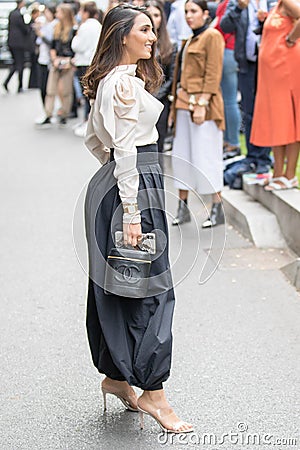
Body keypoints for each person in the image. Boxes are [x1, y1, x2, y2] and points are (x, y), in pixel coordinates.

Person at [82, 4, 193, 434]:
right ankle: (153, 392)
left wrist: (110, 176)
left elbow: (95, 139)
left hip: (117, 183)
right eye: (145, 30)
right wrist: (131, 208)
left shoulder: (113, 80)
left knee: (116, 286)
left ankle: (115, 377)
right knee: (151, 290)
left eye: (153, 29)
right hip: (133, 190)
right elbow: (125, 148)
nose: (152, 36)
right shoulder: (124, 85)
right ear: (121, 35)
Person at [170, 0, 225, 228]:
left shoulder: (212, 36)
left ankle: (217, 208)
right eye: (186, 12)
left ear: (205, 13)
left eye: (193, 11)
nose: (189, 16)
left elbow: (213, 72)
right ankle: (183, 208)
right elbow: (179, 77)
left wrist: (203, 102)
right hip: (183, 103)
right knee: (182, 156)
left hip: (204, 105)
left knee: (207, 155)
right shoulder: (190, 39)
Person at [220, 0, 276, 175]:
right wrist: (239, 8)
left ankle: (264, 158)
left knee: (267, 112)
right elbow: (225, 26)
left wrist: (265, 21)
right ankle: (252, 156)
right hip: (247, 64)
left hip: (271, 64)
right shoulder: (239, 3)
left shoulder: (274, 2)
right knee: (249, 111)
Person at [250, 0, 300, 190]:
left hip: (285, 68)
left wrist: (291, 38)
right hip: (273, 72)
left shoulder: (288, 2)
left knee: (287, 120)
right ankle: (279, 172)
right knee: (278, 120)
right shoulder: (278, 5)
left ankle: (287, 175)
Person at [145, 0, 177, 162]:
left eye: (156, 15)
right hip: (141, 100)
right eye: (149, 14)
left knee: (158, 145)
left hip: (160, 101)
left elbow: (172, 78)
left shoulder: (170, 47)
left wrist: (156, 96)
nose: (152, 18)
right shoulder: (137, 45)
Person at [37, 3, 77, 127]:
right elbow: (53, 45)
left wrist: (69, 61)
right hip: (56, 61)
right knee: (50, 89)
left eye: (59, 12)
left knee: (66, 90)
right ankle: (48, 113)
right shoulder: (57, 27)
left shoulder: (73, 29)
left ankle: (64, 113)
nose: (56, 14)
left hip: (67, 62)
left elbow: (74, 48)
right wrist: (54, 58)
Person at [215, 0, 241, 159]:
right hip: (229, 51)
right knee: (227, 100)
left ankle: (233, 142)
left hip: (229, 50)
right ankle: (229, 141)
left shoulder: (230, 3)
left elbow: (222, 26)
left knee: (229, 100)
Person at [71, 1, 102, 137]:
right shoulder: (99, 26)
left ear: (85, 12)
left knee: (86, 94)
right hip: (94, 63)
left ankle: (86, 122)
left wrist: (76, 35)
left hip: (84, 63)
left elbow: (77, 46)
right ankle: (88, 122)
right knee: (91, 94)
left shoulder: (84, 27)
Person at [3, 0, 30, 93]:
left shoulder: (11, 14)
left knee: (16, 64)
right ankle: (20, 86)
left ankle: (6, 82)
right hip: (19, 43)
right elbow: (25, 29)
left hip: (11, 42)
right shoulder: (19, 15)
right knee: (20, 64)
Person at [35, 5, 57, 105]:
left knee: (48, 88)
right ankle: (46, 109)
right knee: (42, 87)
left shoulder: (55, 25)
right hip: (42, 58)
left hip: (50, 60)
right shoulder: (45, 24)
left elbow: (52, 43)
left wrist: (41, 35)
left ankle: (49, 109)